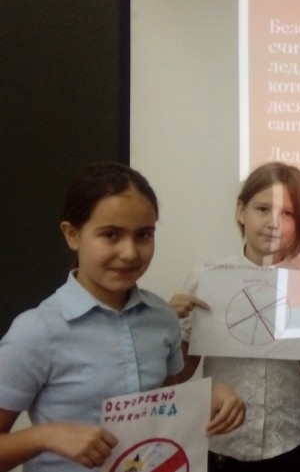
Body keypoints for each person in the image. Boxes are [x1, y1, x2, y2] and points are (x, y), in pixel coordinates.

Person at [0, 162, 246, 472]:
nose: (130, 253)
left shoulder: (162, 318)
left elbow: (165, 409)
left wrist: (210, 397)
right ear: (72, 235)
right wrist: (44, 436)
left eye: (144, 235)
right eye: (111, 235)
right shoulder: (36, 332)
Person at [169, 162, 300, 472]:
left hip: (287, 438)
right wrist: (170, 325)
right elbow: (183, 372)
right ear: (241, 211)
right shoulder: (207, 278)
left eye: (288, 213)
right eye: (262, 209)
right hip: (222, 442)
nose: (273, 223)